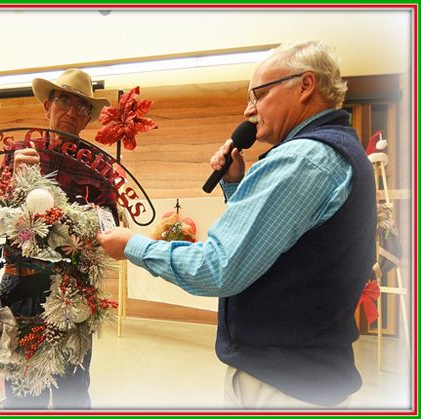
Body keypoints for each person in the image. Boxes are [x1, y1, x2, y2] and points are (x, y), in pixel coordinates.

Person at [96, 41, 376, 408]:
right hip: (305, 374)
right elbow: (281, 242)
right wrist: (235, 185)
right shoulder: (334, 150)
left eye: (258, 95)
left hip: (283, 385)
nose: (248, 110)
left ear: (306, 85)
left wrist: (132, 245)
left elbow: (217, 268)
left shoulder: (303, 159)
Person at [0, 68, 116, 409]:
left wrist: (87, 230)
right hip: (21, 285)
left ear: (88, 118)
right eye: (64, 101)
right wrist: (12, 180)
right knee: (21, 392)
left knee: (73, 392)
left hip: (73, 291)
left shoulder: (100, 165)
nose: (71, 112)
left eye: (82, 108)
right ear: (47, 105)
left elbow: (110, 225)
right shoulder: (21, 153)